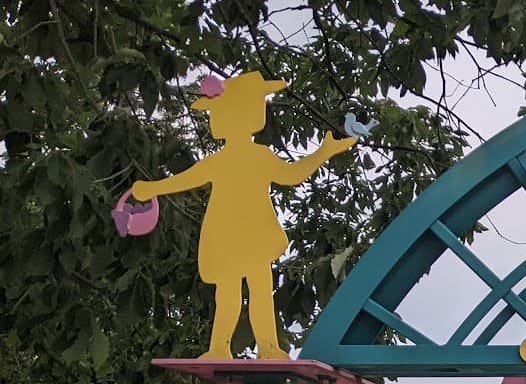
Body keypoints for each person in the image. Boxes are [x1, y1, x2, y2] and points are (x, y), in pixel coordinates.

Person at [132, 71, 357, 359]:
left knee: (243, 291)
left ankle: (257, 347)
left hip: (243, 233)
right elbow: (291, 175)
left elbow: (290, 175)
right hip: (235, 233)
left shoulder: (245, 158)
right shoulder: (241, 158)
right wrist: (151, 187)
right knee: (246, 290)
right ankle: (234, 348)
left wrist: (323, 153)